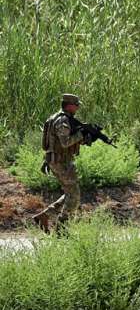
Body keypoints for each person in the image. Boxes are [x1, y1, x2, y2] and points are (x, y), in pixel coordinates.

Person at [32, 94, 85, 233]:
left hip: (56, 160)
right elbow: (65, 142)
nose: (78, 107)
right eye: (76, 105)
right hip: (61, 161)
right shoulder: (63, 120)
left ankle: (44, 216)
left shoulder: (54, 118)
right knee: (74, 196)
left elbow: (52, 142)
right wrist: (82, 135)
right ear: (69, 105)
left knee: (70, 193)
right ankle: (61, 229)